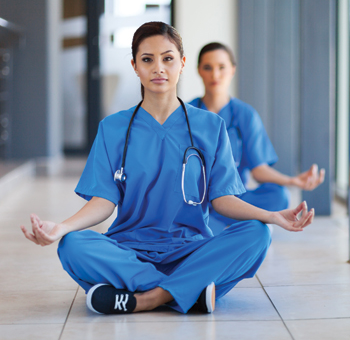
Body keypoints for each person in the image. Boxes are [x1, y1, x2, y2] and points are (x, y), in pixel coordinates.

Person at [20, 23, 314, 316]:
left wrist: (273, 217)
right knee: (72, 245)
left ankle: (144, 298)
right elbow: (103, 202)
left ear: (182, 64)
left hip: (190, 250)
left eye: (168, 58)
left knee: (257, 234)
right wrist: (61, 228)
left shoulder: (211, 127)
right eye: (147, 59)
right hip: (130, 249)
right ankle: (189, 292)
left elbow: (222, 199)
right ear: (135, 66)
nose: (158, 68)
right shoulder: (112, 129)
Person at [189, 42, 324, 235]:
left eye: (221, 67)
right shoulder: (187, 114)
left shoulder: (245, 114)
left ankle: (227, 220)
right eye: (207, 68)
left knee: (279, 196)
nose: (215, 75)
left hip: (236, 198)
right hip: (198, 200)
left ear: (233, 70)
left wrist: (293, 181)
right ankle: (236, 222)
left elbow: (258, 170)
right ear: (199, 71)